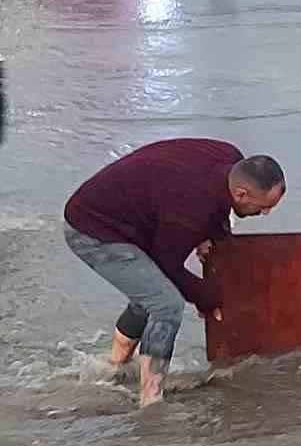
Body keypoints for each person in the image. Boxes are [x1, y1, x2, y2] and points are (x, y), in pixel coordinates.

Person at [63, 138, 285, 407]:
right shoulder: (190, 206)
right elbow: (167, 263)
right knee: (166, 304)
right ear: (240, 194)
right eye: (263, 206)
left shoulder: (229, 158)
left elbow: (210, 207)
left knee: (151, 291)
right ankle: (151, 400)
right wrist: (205, 296)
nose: (266, 213)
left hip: (133, 216)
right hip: (92, 228)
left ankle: (114, 367)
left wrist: (212, 233)